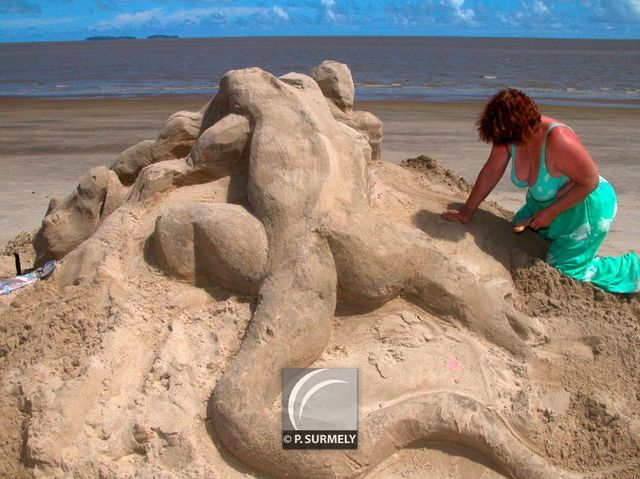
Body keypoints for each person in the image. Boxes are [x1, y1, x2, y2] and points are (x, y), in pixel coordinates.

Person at [441, 88, 639, 293]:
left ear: (523, 127)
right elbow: (491, 171)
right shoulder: (508, 134)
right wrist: (467, 210)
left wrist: (551, 212)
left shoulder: (558, 139)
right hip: (546, 202)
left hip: (587, 207)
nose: (502, 144)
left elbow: (590, 182)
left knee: (565, 273)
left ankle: (631, 269)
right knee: (516, 234)